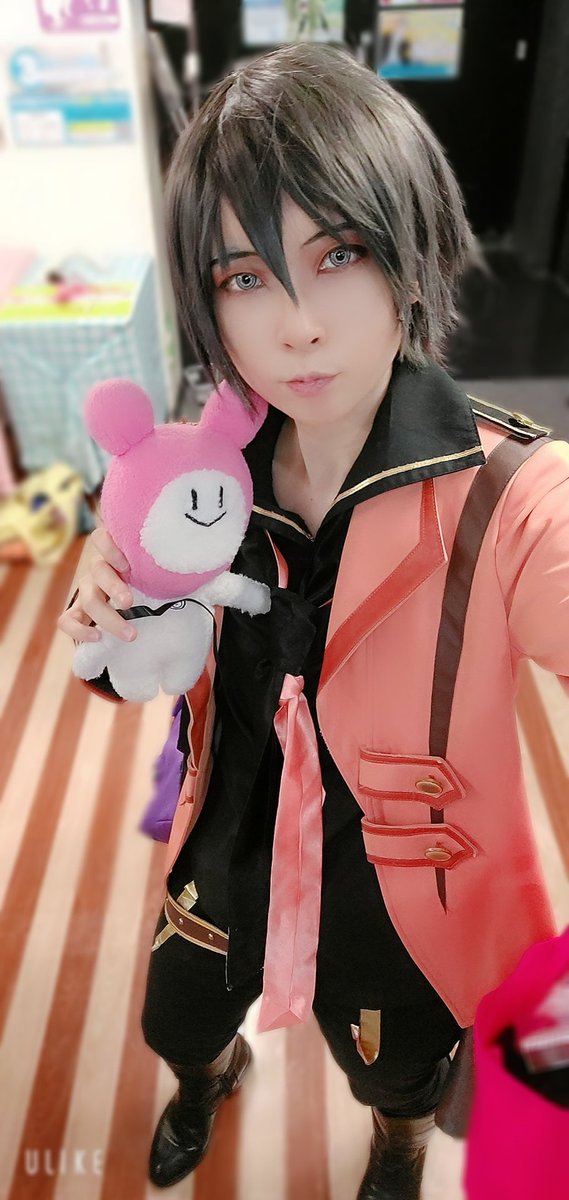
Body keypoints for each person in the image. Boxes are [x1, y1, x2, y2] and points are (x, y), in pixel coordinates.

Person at [58, 42, 569, 1198]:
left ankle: (394, 1147)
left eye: (337, 253)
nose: (295, 324)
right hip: (228, 826)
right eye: (244, 277)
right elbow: (132, 650)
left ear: (409, 249)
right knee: (176, 1018)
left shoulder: (509, 492)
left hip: (397, 879)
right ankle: (207, 1080)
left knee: (392, 1070)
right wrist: (107, 593)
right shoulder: (197, 475)